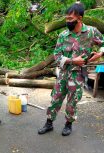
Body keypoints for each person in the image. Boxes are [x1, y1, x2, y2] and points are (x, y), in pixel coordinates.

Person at [38, 2, 104, 136]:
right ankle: (49, 122)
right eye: (66, 18)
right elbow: (57, 55)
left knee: (72, 101)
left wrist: (100, 53)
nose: (67, 21)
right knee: (55, 99)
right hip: (63, 73)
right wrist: (73, 60)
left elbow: (103, 42)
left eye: (70, 19)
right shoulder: (63, 35)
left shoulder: (91, 32)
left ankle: (68, 124)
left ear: (79, 18)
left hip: (78, 74)